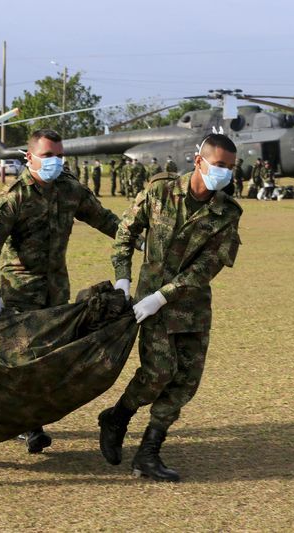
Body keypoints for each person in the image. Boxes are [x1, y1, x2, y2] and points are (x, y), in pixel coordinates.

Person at [98, 133, 242, 482]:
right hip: (151, 309)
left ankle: (149, 453)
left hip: (189, 306)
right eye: (219, 165)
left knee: (185, 383)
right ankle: (118, 416)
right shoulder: (159, 191)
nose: (224, 173)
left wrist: (162, 294)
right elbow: (124, 236)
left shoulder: (228, 213)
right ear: (199, 161)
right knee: (158, 373)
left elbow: (206, 267)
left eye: (230, 168)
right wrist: (122, 281)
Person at [0, 129, 121, 453]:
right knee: (25, 358)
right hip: (20, 291)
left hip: (57, 292)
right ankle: (29, 425)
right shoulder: (14, 197)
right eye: (47, 156)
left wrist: (141, 239)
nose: (55, 161)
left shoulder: (71, 191)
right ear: (29, 158)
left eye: (59, 155)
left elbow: (106, 221)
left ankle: (28, 420)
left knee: (51, 358)